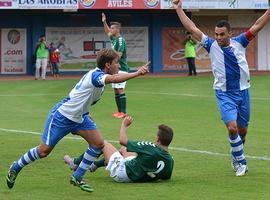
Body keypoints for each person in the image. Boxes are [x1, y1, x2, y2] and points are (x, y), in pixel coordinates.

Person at [6, 49, 150, 192]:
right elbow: (113, 79)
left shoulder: (98, 76)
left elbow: (82, 97)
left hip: (80, 118)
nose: (119, 66)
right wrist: (137, 73)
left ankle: (77, 176)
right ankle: (16, 167)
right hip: (62, 116)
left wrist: (86, 113)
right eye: (116, 63)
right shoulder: (96, 76)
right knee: (43, 151)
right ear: (107, 65)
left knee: (98, 144)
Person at [173, 0, 270, 176]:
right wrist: (179, 9)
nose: (218, 37)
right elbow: (193, 28)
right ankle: (241, 162)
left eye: (222, 34)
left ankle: (236, 152)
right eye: (216, 34)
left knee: (242, 130)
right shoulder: (210, 45)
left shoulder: (240, 42)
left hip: (243, 92)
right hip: (224, 94)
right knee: (232, 128)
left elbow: (257, 26)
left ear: (229, 33)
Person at [64, 116, 174, 184]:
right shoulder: (170, 161)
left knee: (101, 143)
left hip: (122, 172)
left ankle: (75, 163)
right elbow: (165, 178)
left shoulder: (150, 148)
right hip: (137, 175)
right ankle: (96, 164)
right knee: (124, 149)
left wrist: (124, 125)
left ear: (158, 139)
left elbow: (122, 140)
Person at [102, 13, 129, 119]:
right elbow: (107, 32)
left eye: (112, 28)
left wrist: (110, 65)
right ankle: (119, 111)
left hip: (121, 68)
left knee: (120, 89)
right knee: (116, 90)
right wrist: (104, 21)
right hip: (115, 69)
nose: (110, 30)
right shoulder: (114, 39)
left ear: (117, 30)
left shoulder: (120, 40)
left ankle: (123, 112)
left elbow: (119, 55)